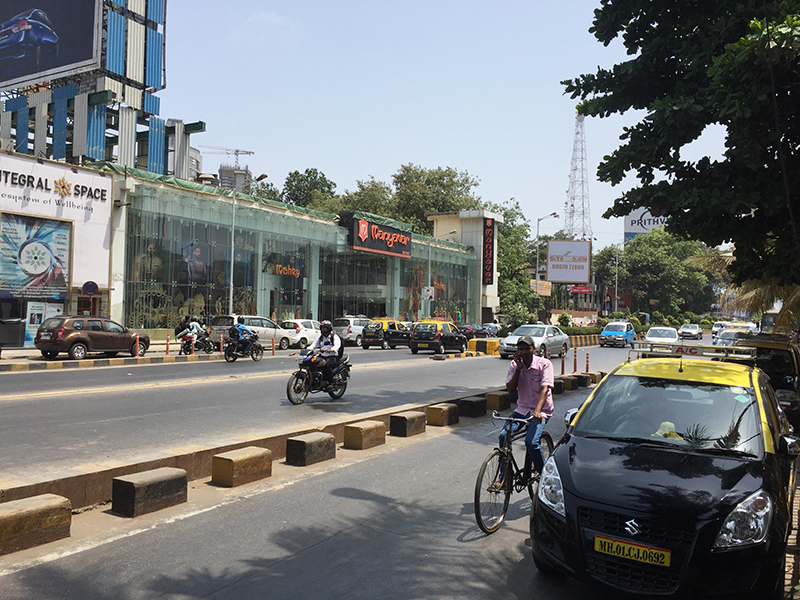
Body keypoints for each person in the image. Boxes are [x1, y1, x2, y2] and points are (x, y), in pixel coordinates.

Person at [500, 335, 554, 484]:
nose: (523, 352)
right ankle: (504, 477)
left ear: (533, 349)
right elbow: (510, 390)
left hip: (541, 410)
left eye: (526, 349)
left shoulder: (545, 364)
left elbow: (545, 389)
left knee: (530, 442)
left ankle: (545, 477)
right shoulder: (514, 365)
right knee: (503, 436)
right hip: (523, 408)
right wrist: (518, 370)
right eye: (520, 349)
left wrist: (538, 411)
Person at [308, 320, 342, 388]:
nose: (323, 330)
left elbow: (337, 345)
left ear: (329, 328)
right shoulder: (320, 337)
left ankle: (330, 382)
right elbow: (314, 345)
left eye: (325, 328)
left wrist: (331, 349)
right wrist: (307, 349)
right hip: (322, 355)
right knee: (312, 363)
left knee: (327, 365)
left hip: (332, 356)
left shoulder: (334, 336)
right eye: (322, 328)